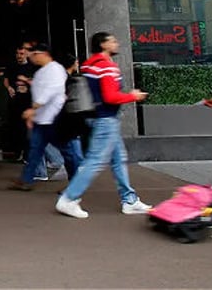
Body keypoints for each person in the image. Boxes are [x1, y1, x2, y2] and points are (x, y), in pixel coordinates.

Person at [55, 32, 152, 219]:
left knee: (118, 158)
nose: (116, 43)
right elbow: (110, 97)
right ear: (103, 44)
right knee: (96, 160)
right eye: (112, 41)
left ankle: (129, 200)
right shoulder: (107, 67)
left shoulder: (89, 65)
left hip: (95, 116)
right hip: (106, 119)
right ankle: (69, 198)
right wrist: (132, 96)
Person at [8, 43, 83, 191]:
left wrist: (33, 109)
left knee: (67, 152)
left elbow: (50, 91)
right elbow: (40, 88)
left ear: (43, 54)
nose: (32, 57)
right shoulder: (42, 71)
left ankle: (75, 184)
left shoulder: (55, 69)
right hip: (42, 119)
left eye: (34, 54)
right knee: (36, 149)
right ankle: (26, 180)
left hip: (55, 118)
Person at [3, 43, 35, 161]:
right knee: (16, 128)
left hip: (27, 102)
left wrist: (27, 85)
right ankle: (18, 152)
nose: (19, 56)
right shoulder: (12, 66)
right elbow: (6, 80)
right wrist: (9, 88)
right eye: (17, 53)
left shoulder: (32, 67)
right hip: (15, 102)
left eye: (21, 54)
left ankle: (27, 154)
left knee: (27, 129)